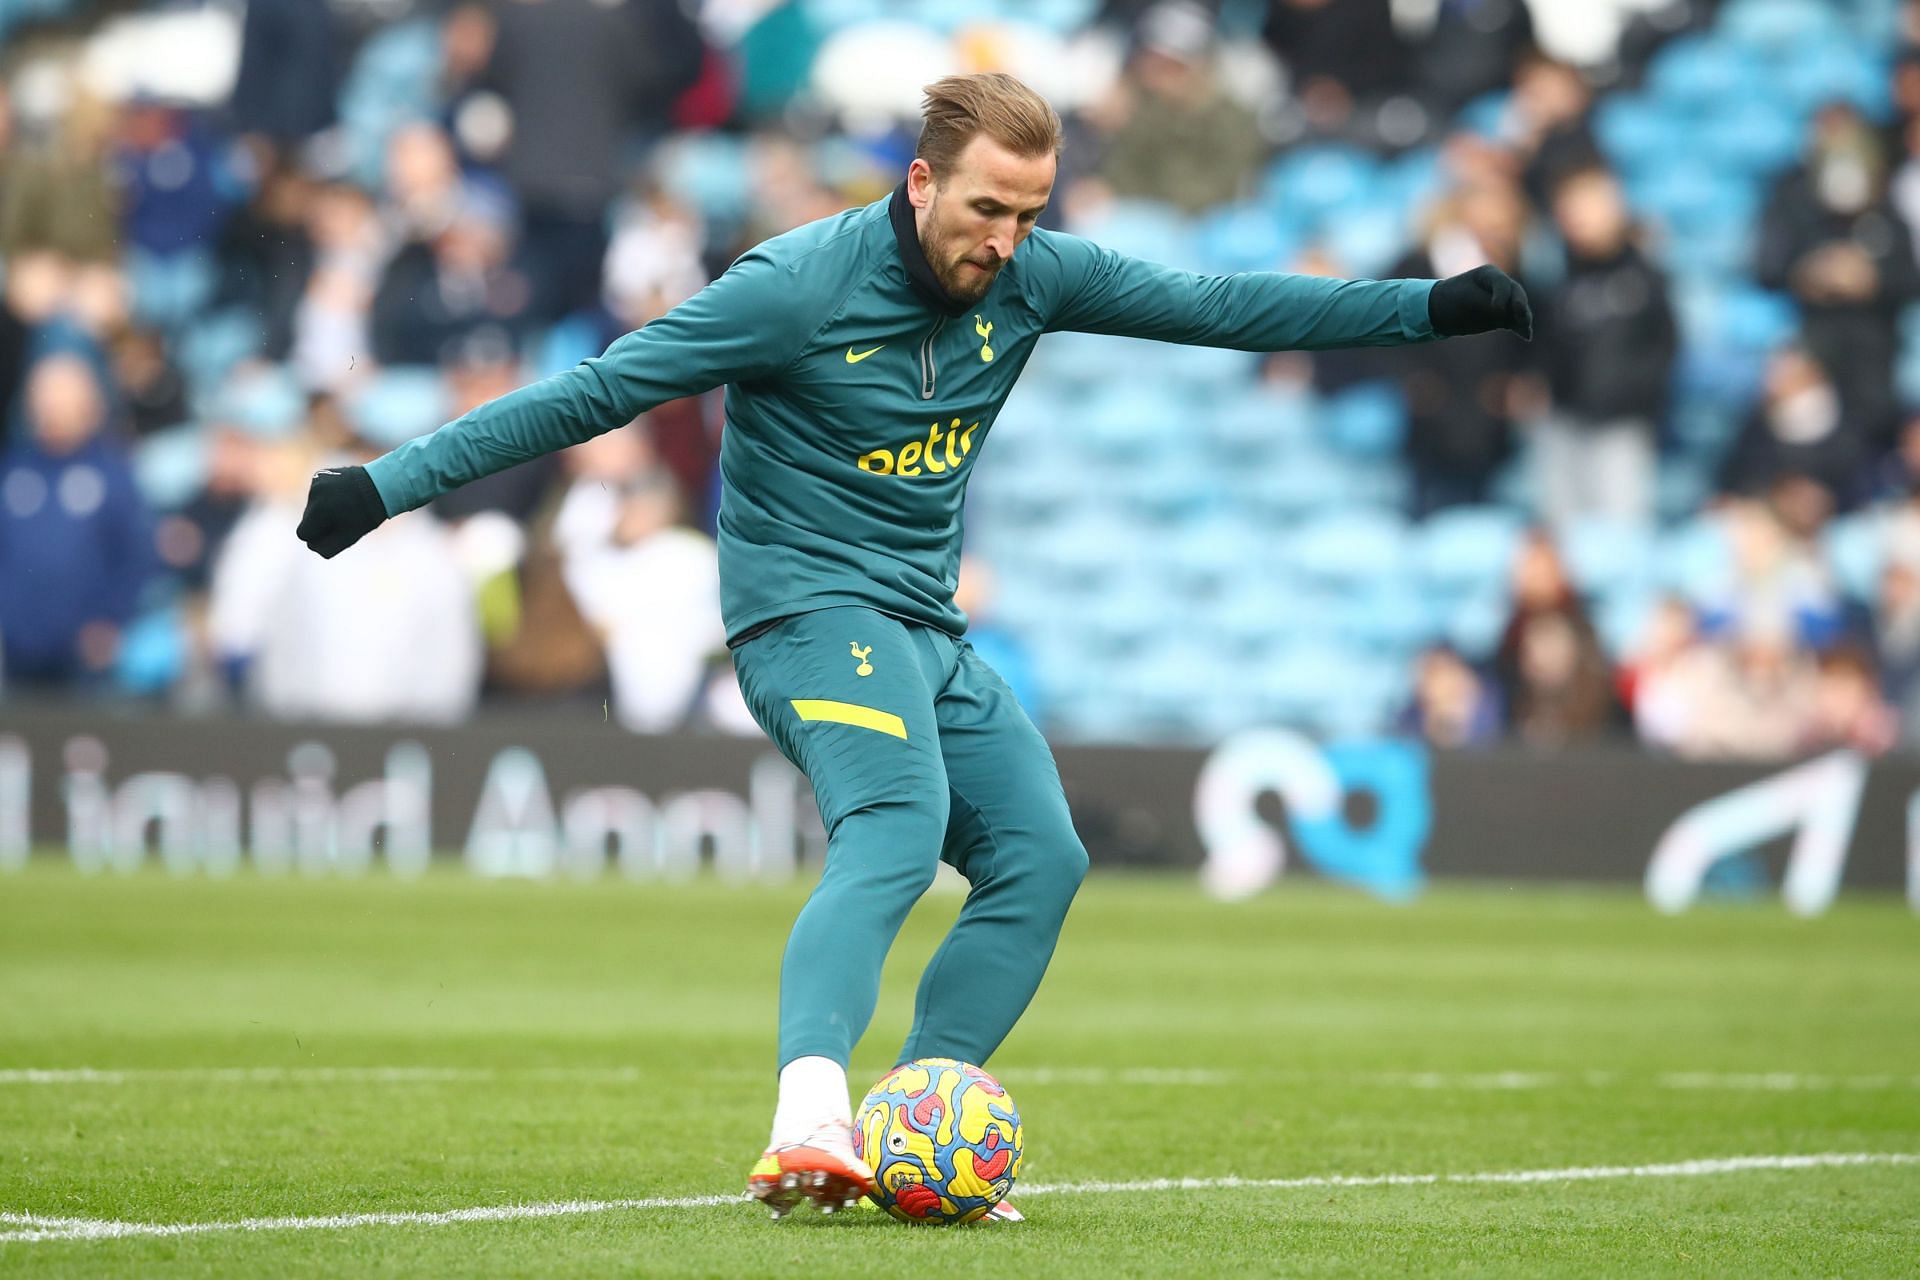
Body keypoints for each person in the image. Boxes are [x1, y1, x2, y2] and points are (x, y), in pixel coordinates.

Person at [294, 73, 1531, 1220]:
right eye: (988, 208)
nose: (1005, 240)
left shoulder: (1031, 275)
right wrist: (387, 486)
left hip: (924, 625)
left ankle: (922, 1116)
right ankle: (809, 1119)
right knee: (893, 822)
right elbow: (597, 391)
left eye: (1029, 215)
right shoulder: (794, 286)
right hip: (803, 616)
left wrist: (1426, 308)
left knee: (1043, 857)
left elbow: (1219, 306)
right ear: (921, 182)